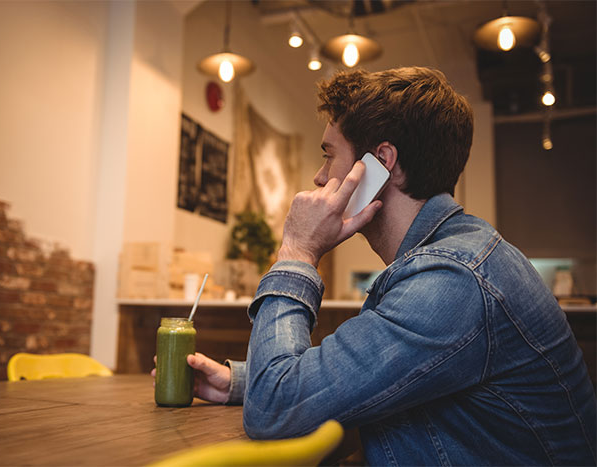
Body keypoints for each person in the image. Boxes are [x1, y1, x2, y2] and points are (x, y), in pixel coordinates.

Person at [156, 67, 597, 465]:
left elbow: (274, 408)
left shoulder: (451, 282)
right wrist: (240, 383)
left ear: (380, 164)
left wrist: (296, 251)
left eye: (329, 154)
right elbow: (363, 373)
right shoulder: (451, 261)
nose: (318, 175)